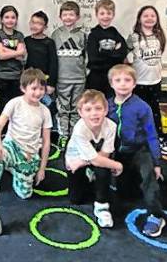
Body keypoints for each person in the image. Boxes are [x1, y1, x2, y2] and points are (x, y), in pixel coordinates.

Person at [0, 68, 52, 236]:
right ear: (23, 88)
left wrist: (42, 168)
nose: (38, 92)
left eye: (41, 88)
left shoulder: (45, 111)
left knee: (25, 194)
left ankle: (13, 170)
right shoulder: (14, 103)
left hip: (28, 156)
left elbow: (47, 142)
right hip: (11, 147)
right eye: (33, 88)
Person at [107, 64, 165, 237]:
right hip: (116, 152)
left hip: (139, 151)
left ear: (134, 84)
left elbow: (152, 135)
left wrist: (156, 162)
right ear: (111, 83)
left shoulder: (142, 107)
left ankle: (156, 215)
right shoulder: (107, 105)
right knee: (123, 193)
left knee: (148, 177)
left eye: (127, 80)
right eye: (118, 80)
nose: (123, 84)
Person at [65, 89, 122, 228]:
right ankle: (89, 176)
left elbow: (105, 154)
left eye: (98, 108)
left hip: (92, 158)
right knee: (76, 199)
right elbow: (97, 159)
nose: (94, 113)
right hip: (75, 159)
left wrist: (86, 162)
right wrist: (117, 165)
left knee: (103, 169)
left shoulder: (111, 126)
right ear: (80, 113)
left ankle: (102, 207)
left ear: (106, 110)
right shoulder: (79, 129)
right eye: (88, 109)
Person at [127, 5, 167, 155]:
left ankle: (158, 139)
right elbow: (126, 57)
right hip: (139, 83)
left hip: (155, 81)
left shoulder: (159, 36)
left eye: (152, 15)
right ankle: (138, 140)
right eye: (145, 15)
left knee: (154, 111)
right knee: (138, 112)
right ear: (139, 19)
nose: (149, 18)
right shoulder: (134, 37)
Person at [51, 0, 86, 146]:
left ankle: (75, 135)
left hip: (79, 78)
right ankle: (64, 135)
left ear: (77, 17)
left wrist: (85, 73)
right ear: (60, 17)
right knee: (63, 108)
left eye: (71, 15)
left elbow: (86, 57)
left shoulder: (82, 35)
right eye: (65, 15)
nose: (68, 18)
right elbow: (52, 58)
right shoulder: (56, 34)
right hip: (62, 78)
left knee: (77, 108)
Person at [86, 0, 128, 98]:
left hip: (113, 76)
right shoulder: (93, 35)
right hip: (96, 77)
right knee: (96, 101)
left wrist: (103, 52)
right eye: (102, 13)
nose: (105, 16)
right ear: (97, 15)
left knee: (112, 102)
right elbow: (93, 58)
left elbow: (122, 53)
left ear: (113, 15)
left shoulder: (115, 33)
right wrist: (113, 52)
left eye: (109, 13)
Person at [0, 5, 25, 115]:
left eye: (13, 17)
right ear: (1, 19)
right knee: (4, 106)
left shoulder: (19, 35)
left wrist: (7, 51)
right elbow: (1, 55)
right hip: (2, 76)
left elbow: (22, 55)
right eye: (6, 17)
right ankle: (3, 131)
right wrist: (16, 52)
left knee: (17, 107)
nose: (10, 20)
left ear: (16, 19)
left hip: (17, 76)